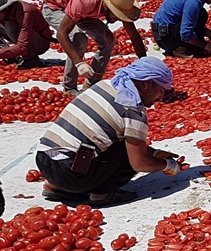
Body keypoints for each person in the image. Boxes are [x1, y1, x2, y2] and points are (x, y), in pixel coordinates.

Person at [37, 57, 184, 208]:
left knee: (111, 142)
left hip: (43, 161)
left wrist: (154, 153)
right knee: (126, 152)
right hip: (70, 173)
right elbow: (139, 163)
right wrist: (167, 165)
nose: (161, 97)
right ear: (147, 84)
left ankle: (54, 186)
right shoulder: (133, 109)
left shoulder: (104, 84)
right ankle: (102, 194)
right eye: (160, 90)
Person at [42, 0, 146, 95]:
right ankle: (69, 88)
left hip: (81, 11)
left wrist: (144, 63)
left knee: (109, 40)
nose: (118, 19)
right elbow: (61, 33)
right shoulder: (85, 1)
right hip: (55, 7)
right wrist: (79, 63)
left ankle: (91, 83)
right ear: (107, 6)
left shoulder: (120, 2)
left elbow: (133, 34)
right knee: (79, 40)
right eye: (116, 15)